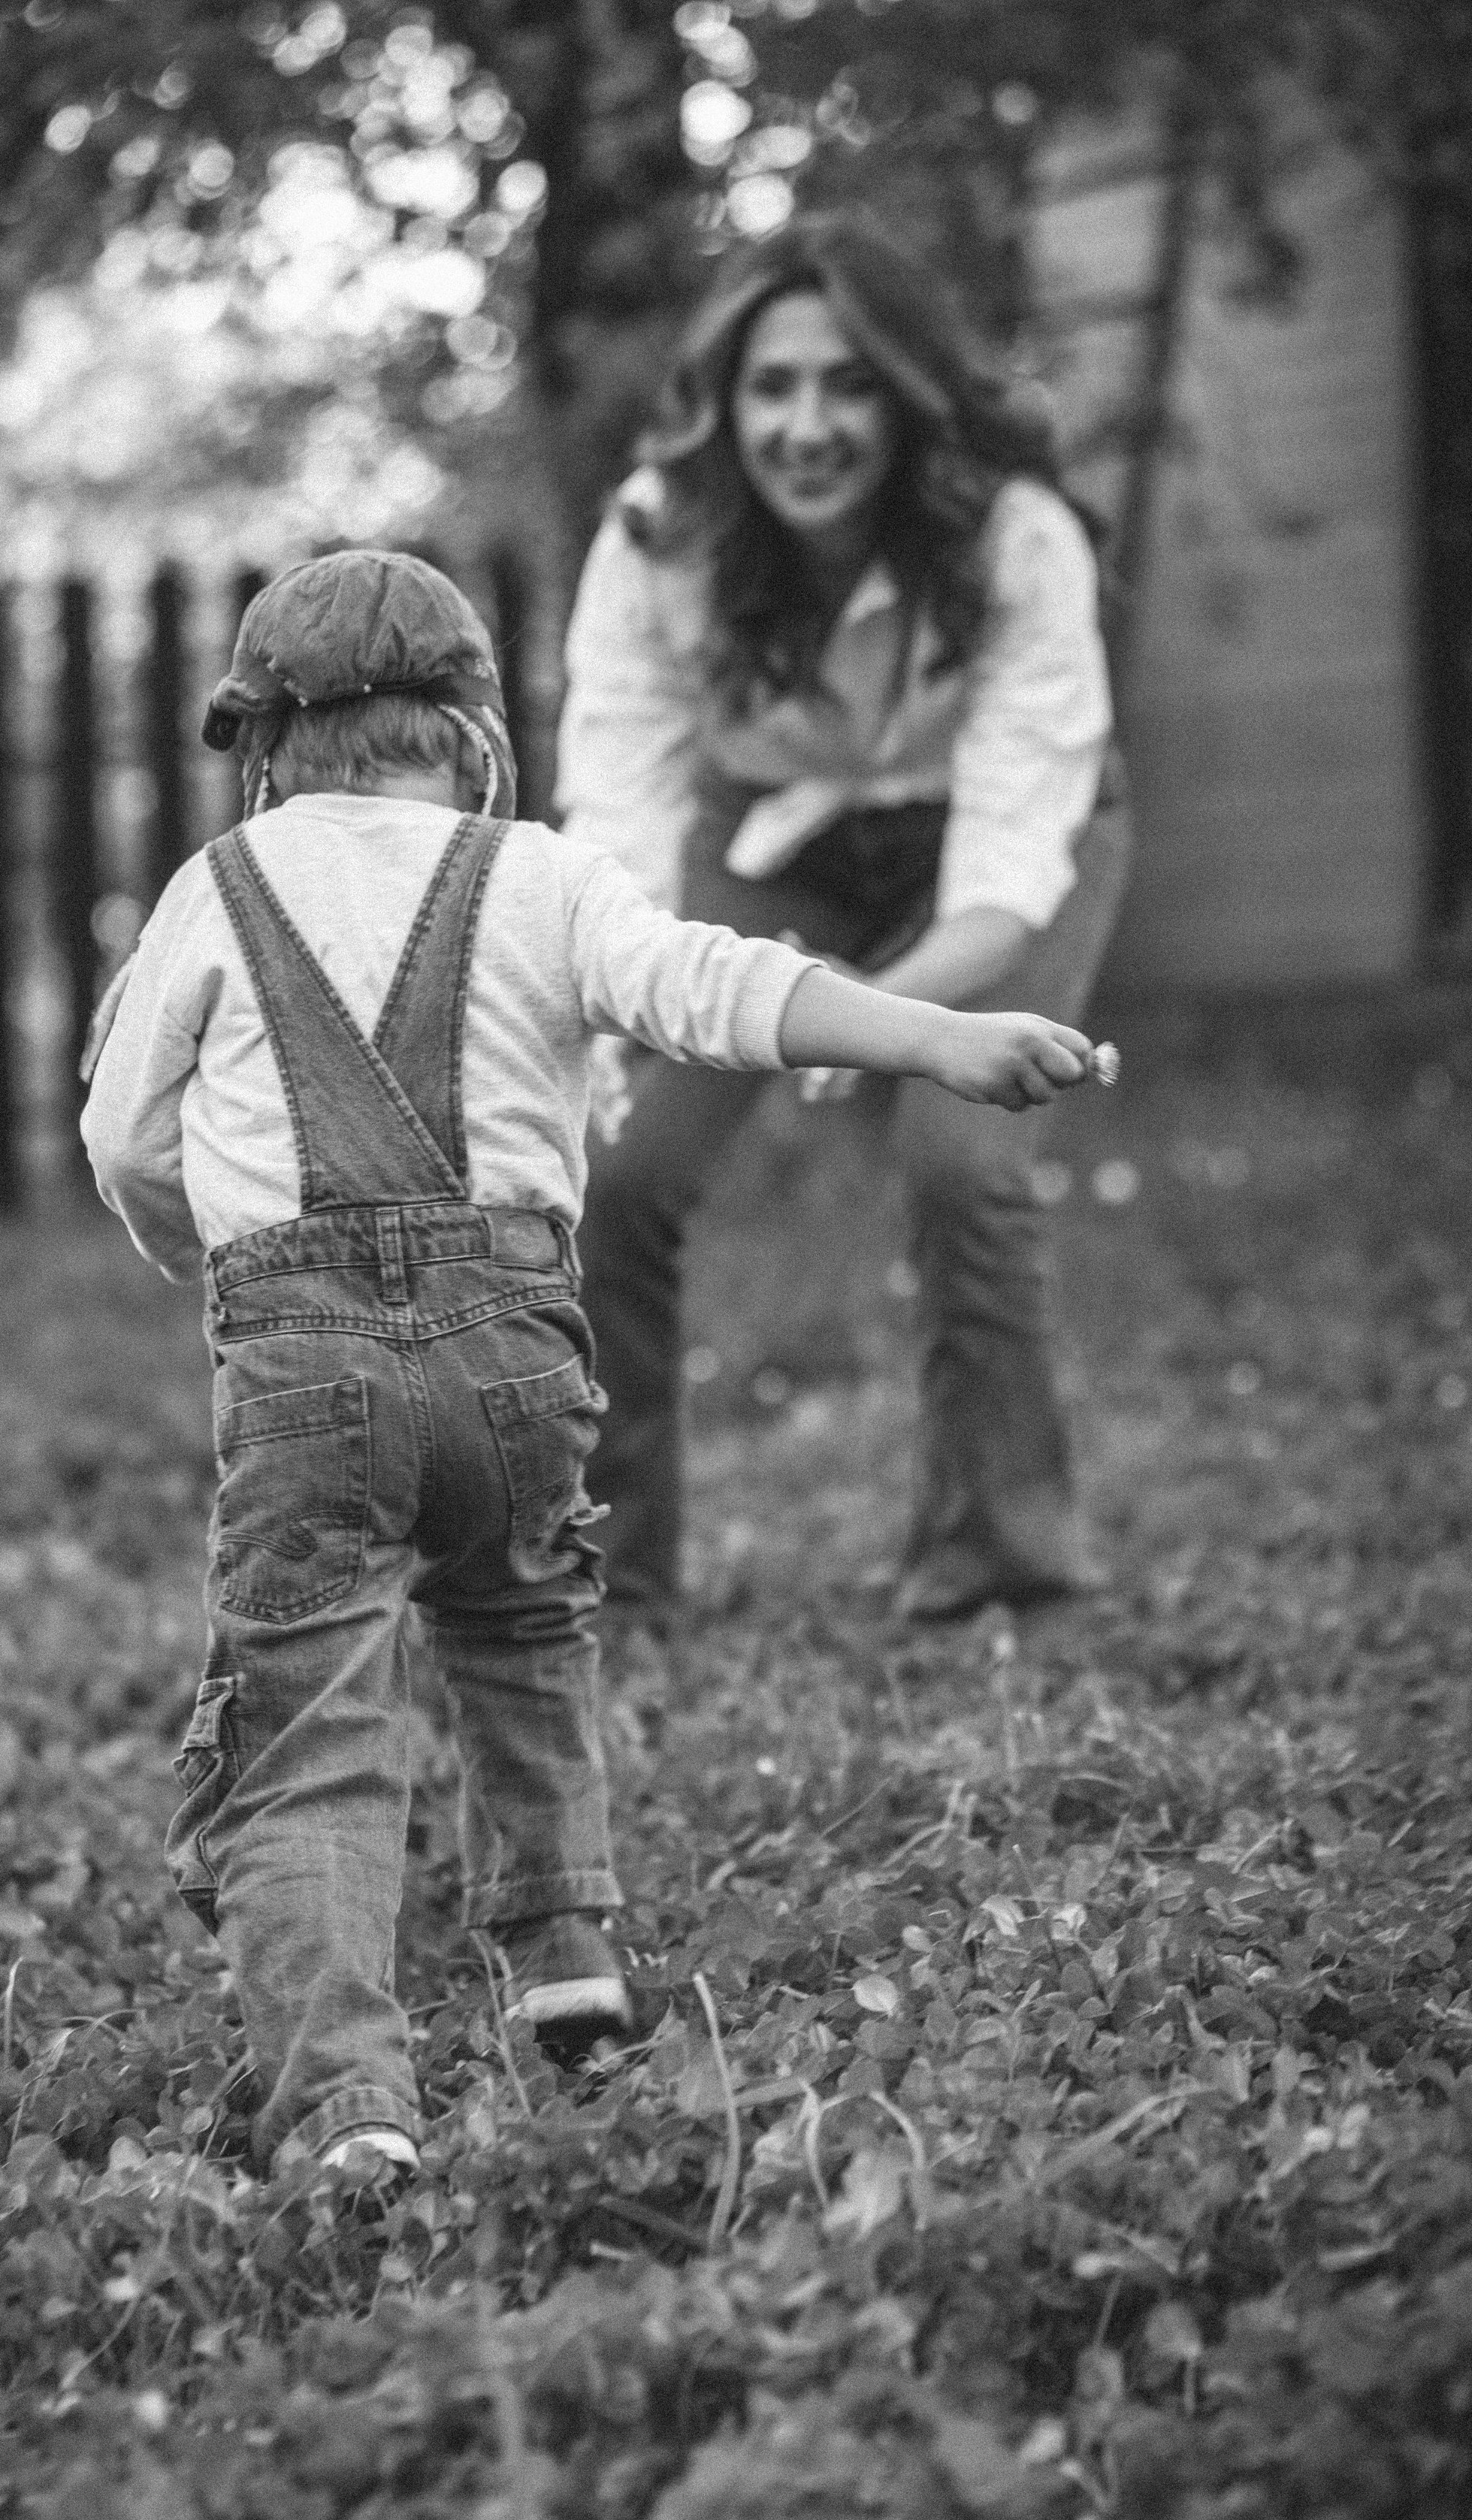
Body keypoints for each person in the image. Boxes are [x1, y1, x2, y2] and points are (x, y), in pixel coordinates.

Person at [80, 548, 1102, 2181]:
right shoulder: (544, 879)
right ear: (474, 730)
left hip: (299, 1373)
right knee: (520, 1625)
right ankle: (566, 1962)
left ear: (267, 748)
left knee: (310, 1729)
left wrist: (208, 1250)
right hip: (512, 1355)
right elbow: (710, 986)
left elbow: (125, 1132)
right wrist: (929, 1033)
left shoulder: (215, 887)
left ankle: (350, 2108)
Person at [558, 212, 1132, 1624]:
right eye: (772, 386)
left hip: (1003, 859)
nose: (807, 426)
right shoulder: (655, 540)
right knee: (617, 1168)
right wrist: (633, 1005)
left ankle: (1002, 1560)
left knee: (962, 1158)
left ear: (910, 394)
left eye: (849, 383)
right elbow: (619, 829)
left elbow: (1006, 871)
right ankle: (611, 1576)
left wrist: (870, 1034)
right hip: (779, 848)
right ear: (723, 402)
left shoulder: (1017, 538)